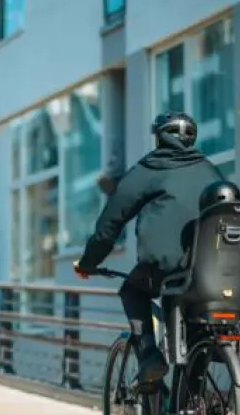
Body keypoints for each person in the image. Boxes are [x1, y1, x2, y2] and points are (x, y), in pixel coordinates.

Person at [73, 111, 218, 391]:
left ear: (159, 138)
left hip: (164, 268)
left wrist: (88, 263)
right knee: (196, 328)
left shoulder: (150, 168)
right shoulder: (209, 170)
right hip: (210, 271)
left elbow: (109, 225)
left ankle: (150, 356)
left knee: (133, 291)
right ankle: (193, 402)